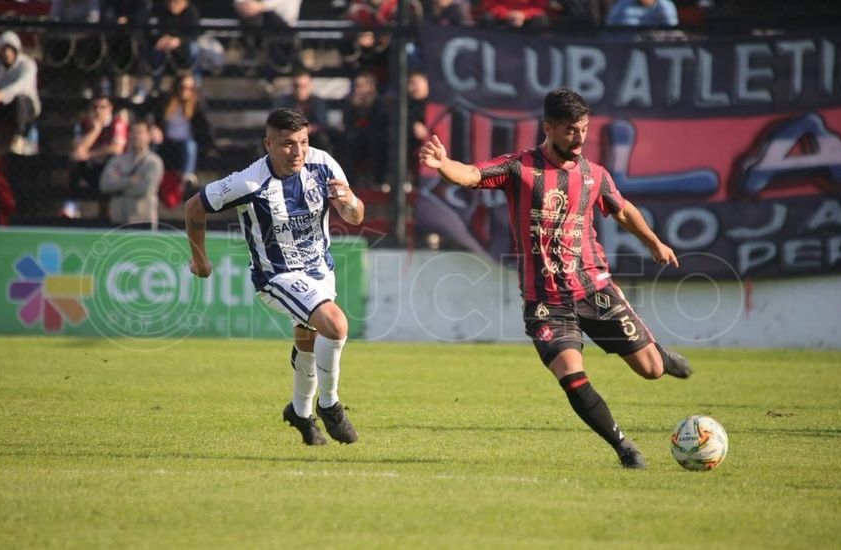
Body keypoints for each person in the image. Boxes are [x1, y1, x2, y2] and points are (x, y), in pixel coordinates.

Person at [418, 88, 692, 469]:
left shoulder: (594, 176)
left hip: (595, 290)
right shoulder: (520, 167)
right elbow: (471, 175)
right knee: (570, 373)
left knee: (651, 370)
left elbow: (624, 210)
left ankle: (658, 354)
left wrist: (654, 243)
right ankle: (625, 448)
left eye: (583, 129)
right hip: (545, 301)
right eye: (570, 130)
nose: (579, 139)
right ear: (548, 128)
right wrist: (444, 164)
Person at [184, 108, 365, 446]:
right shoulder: (248, 182)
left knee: (309, 341)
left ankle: (301, 413)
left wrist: (350, 201)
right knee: (336, 325)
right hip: (277, 275)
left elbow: (355, 216)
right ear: (268, 144)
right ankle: (329, 405)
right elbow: (195, 207)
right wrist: (201, 261)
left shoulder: (323, 164)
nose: (298, 151)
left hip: (321, 270)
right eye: (287, 144)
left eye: (303, 142)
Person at [65, 94, 129, 219]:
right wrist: (95, 130)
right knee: (74, 161)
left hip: (112, 171)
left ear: (110, 108)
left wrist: (90, 154)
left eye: (102, 107)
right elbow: (78, 151)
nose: (98, 111)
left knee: (114, 159)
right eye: (95, 107)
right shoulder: (83, 124)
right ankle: (71, 205)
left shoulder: (117, 123)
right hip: (92, 168)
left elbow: (117, 148)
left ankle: (109, 210)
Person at [0, 31, 41, 155]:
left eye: (10, 50)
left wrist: (2, 95)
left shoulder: (28, 64)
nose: (7, 53)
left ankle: (19, 138)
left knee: (20, 99)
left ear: (17, 50)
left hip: (26, 108)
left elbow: (22, 86)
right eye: (4, 50)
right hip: (2, 105)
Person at [148, 74, 212, 187]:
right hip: (166, 139)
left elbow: (204, 127)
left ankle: (188, 175)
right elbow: (150, 112)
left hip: (185, 141)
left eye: (190, 89)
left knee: (191, 145)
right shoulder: (165, 101)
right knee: (154, 142)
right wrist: (153, 127)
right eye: (182, 87)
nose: (185, 91)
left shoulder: (196, 105)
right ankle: (149, 170)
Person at [100, 119, 164, 227]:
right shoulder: (117, 161)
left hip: (143, 221)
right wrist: (130, 181)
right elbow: (105, 185)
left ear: (148, 136)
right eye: (133, 132)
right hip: (118, 220)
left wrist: (118, 184)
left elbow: (143, 189)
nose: (136, 136)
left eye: (140, 132)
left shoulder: (153, 163)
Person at [272, 68, 332, 153]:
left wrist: (307, 130)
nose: (300, 90)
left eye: (304, 86)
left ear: (310, 86)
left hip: (312, 136)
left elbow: (322, 123)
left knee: (323, 140)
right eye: (296, 86)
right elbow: (275, 121)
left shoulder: (317, 102)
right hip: (288, 135)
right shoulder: (283, 101)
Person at [604, 0, 677, 26]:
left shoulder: (665, 6)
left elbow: (673, 32)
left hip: (656, 51)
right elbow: (609, 30)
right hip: (624, 49)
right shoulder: (623, 4)